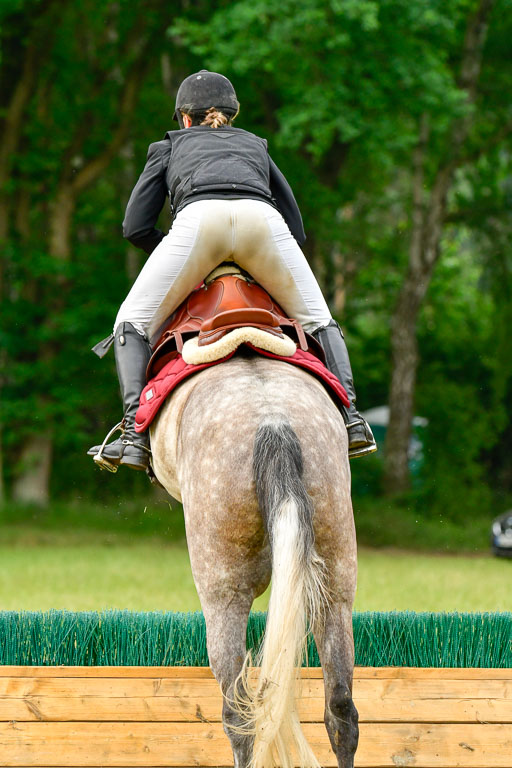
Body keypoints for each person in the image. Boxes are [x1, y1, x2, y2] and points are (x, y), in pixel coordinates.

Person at [88, 70, 376, 471]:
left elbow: (134, 227)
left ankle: (134, 437)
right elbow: (296, 228)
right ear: (232, 116)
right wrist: (255, 260)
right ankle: (352, 420)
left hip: (198, 223)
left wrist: (188, 260)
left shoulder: (170, 145)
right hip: (263, 223)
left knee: (131, 321)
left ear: (185, 118)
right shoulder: (255, 144)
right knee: (319, 319)